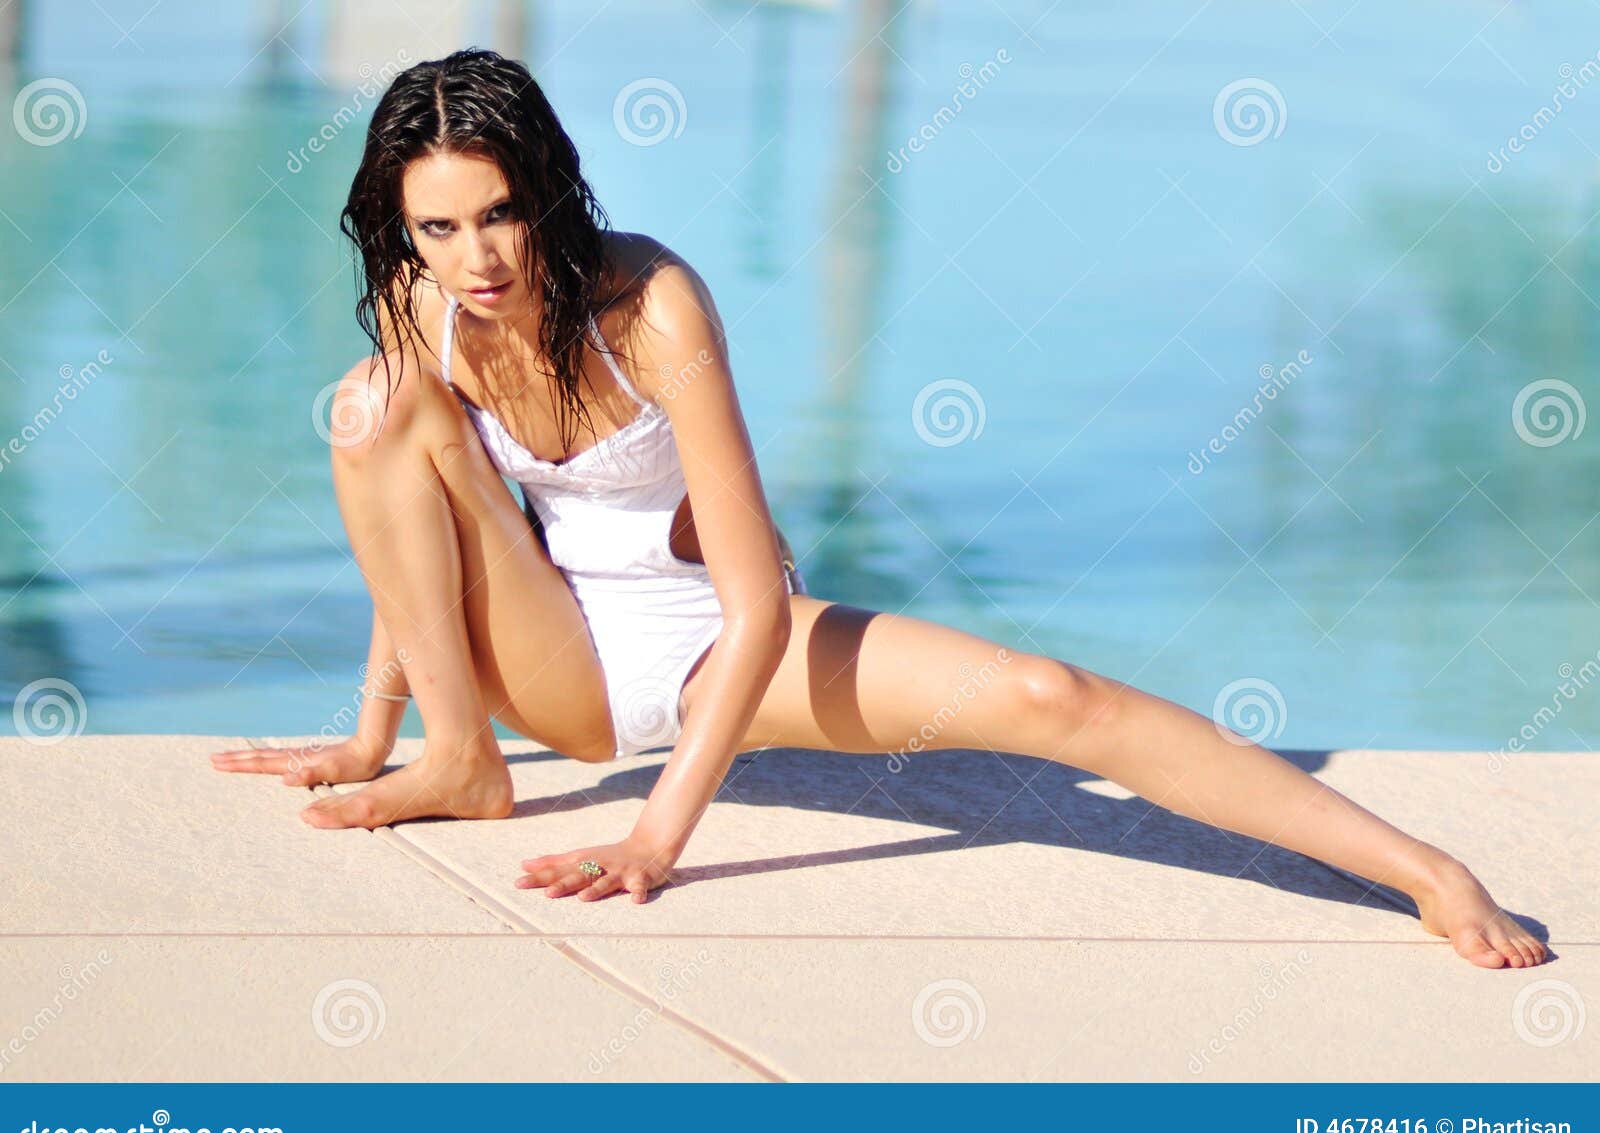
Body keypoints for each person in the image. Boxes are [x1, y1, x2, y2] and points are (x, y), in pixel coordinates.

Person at [210, 49, 1546, 969]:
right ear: (402, 232)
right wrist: (373, 728)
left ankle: (1421, 868)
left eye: (495, 216)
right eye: (436, 230)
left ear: (545, 189)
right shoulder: (420, 308)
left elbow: (749, 607)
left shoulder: (651, 306)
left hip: (703, 636)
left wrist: (657, 834)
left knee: (1045, 694)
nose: (475, 259)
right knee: (368, 405)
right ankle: (461, 761)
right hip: (546, 653)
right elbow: (422, 519)